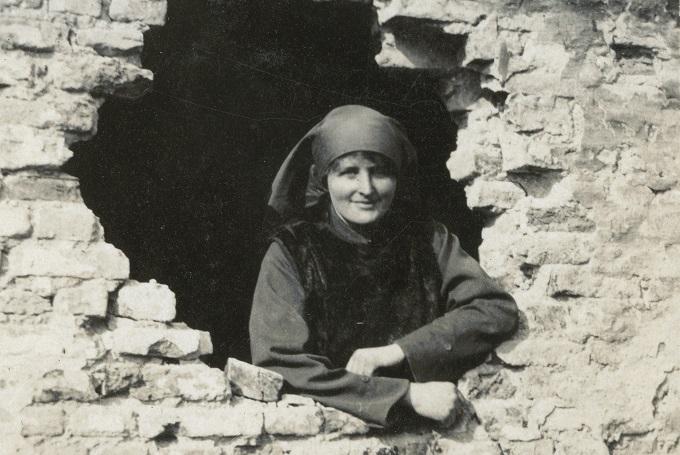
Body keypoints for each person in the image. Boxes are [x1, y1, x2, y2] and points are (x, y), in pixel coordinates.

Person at [249, 105, 518, 427]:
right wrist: (403, 395)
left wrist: (398, 351)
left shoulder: (426, 238)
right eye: (349, 172)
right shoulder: (292, 251)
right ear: (325, 179)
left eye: (380, 171)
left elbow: (493, 309)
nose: (367, 188)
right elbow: (280, 362)